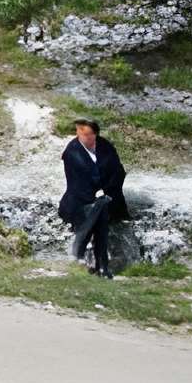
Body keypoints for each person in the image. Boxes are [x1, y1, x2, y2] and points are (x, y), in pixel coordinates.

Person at [59, 119, 128, 277]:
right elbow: (77, 184)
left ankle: (97, 263)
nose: (84, 137)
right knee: (97, 215)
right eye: (80, 133)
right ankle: (98, 263)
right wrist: (97, 196)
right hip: (80, 201)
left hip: (109, 197)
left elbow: (118, 171)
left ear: (95, 134)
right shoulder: (72, 152)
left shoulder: (105, 146)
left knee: (101, 211)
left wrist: (107, 192)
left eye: (88, 134)